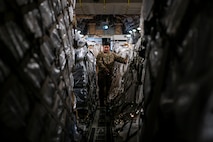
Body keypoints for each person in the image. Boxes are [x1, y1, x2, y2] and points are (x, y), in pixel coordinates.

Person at [96, 42, 128, 107]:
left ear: (109, 47)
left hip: (109, 75)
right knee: (101, 89)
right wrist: (105, 68)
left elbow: (119, 58)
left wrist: (125, 60)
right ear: (103, 47)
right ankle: (101, 103)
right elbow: (99, 63)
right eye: (105, 47)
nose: (106, 48)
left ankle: (107, 101)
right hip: (102, 74)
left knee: (109, 88)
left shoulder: (112, 54)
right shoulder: (100, 55)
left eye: (107, 47)